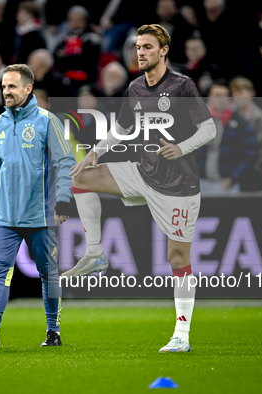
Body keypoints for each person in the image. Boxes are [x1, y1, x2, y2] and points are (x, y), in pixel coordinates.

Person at [62, 25, 217, 353]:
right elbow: (122, 128)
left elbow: (209, 128)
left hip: (178, 186)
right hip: (142, 172)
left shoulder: (181, 86)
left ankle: (181, 335)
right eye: (138, 47)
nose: (140, 52)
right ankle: (94, 254)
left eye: (147, 47)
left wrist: (182, 148)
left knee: (176, 259)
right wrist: (95, 152)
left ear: (163, 51)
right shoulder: (135, 87)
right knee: (81, 177)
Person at [0, 64, 76, 348]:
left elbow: (66, 163)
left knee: (47, 273)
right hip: (5, 215)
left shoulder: (47, 121)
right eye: (3, 87)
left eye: (12, 86)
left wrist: (63, 199)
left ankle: (53, 331)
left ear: (28, 89)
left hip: (40, 214)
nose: (6, 92)